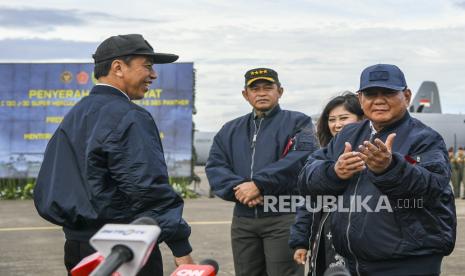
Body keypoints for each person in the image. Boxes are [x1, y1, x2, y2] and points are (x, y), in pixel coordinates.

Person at [33, 34, 193, 275]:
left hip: (77, 249)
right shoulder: (129, 116)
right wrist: (182, 249)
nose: (153, 75)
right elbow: (147, 189)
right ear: (118, 67)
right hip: (123, 251)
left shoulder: (76, 114)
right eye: (147, 66)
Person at [298, 64, 456, 276]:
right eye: (371, 94)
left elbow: (431, 185)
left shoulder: (425, 138)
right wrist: (334, 172)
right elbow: (306, 176)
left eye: (389, 92)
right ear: (360, 99)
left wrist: (390, 168)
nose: (379, 100)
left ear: (407, 96)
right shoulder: (348, 135)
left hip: (407, 264)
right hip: (353, 263)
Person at [206, 68, 318, 276]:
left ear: (280, 91)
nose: (262, 93)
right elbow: (215, 167)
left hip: (283, 216)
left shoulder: (299, 122)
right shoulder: (230, 129)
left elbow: (302, 158)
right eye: (255, 89)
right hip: (243, 220)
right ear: (245, 95)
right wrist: (239, 190)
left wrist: (259, 185)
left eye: (268, 87)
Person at [289, 92, 363, 275]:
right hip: (324, 237)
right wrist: (301, 241)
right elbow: (307, 201)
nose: (337, 125)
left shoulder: (374, 155)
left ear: (362, 118)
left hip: (360, 241)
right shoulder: (319, 157)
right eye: (332, 119)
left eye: (344, 118)